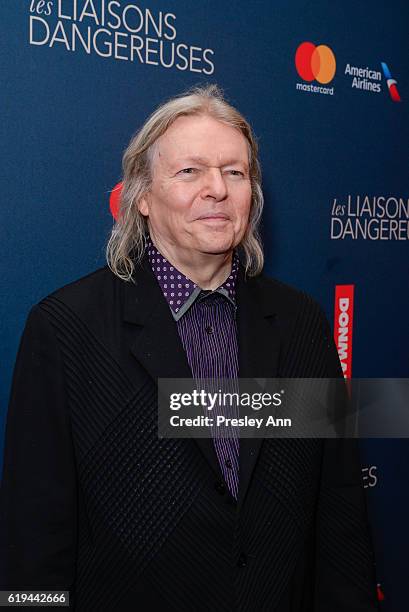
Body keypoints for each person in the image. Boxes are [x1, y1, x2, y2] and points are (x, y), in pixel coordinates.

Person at [0, 84, 378, 611]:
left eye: (235, 172)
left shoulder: (301, 325)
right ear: (142, 199)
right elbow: (33, 532)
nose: (217, 190)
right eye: (189, 171)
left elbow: (338, 510)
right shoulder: (66, 330)